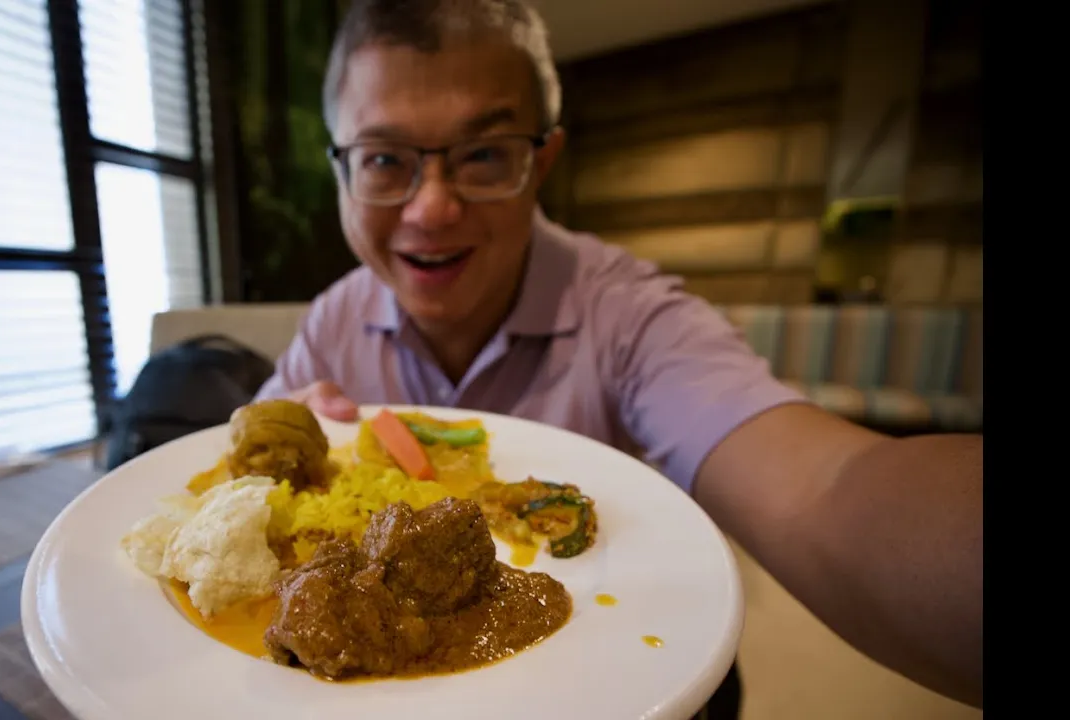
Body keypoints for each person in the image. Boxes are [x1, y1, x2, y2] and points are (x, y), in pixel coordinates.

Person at [252, 0, 983, 712]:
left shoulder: (632, 315)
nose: (433, 208)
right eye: (384, 159)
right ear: (341, 171)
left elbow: (829, 485)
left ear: (543, 163)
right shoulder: (333, 318)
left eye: (483, 155)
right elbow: (235, 468)